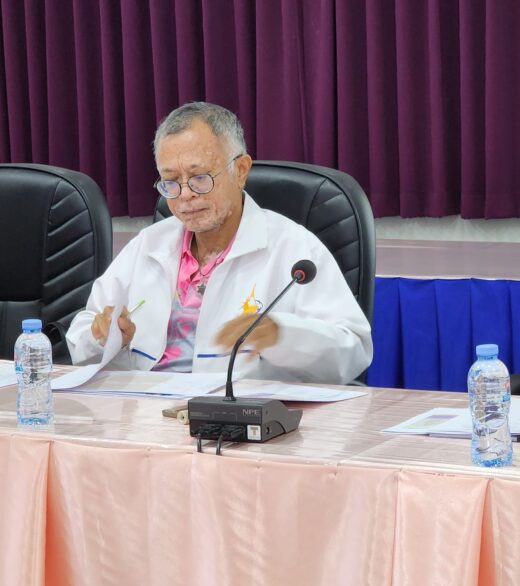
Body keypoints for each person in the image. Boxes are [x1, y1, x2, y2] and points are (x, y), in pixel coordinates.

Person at [67, 102, 372, 384]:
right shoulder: (150, 244)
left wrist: (281, 335)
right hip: (145, 410)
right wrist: (100, 334)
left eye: (199, 178)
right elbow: (83, 334)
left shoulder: (294, 249)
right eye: (170, 182)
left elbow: (353, 351)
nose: (185, 194)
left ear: (240, 170)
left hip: (241, 414)